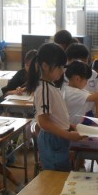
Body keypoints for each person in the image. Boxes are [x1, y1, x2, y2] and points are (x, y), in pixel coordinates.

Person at [25, 43, 82, 171]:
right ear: (45, 66)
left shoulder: (50, 86)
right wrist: (68, 135)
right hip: (52, 139)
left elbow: (55, 115)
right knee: (56, 175)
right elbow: (44, 122)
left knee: (61, 172)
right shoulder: (44, 89)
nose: (62, 71)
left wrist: (69, 126)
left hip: (57, 137)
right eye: (59, 67)